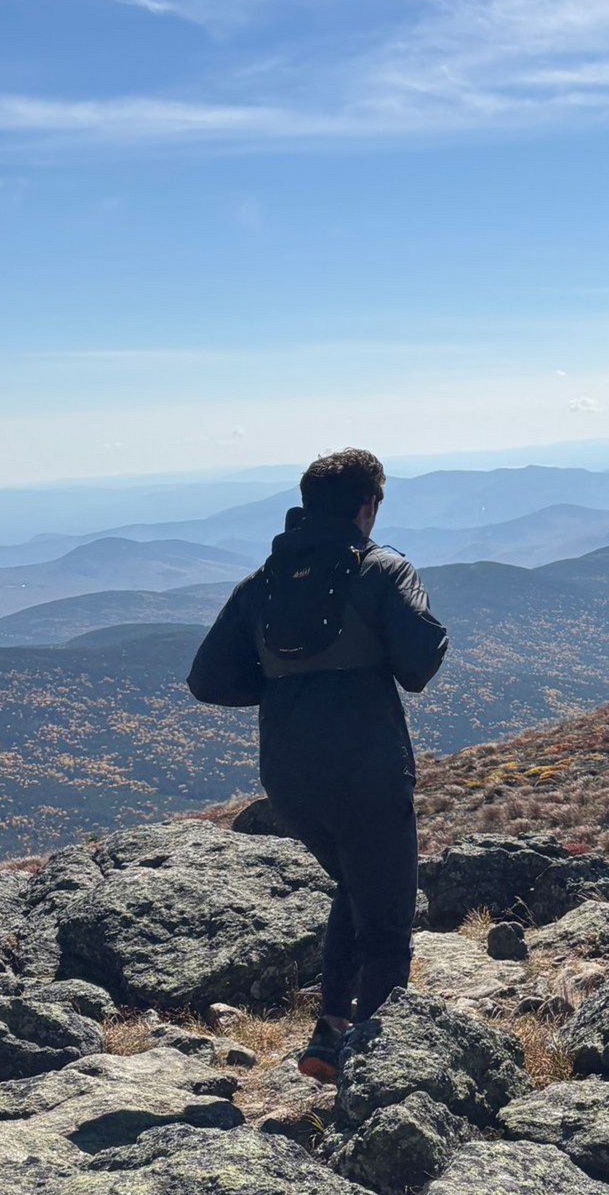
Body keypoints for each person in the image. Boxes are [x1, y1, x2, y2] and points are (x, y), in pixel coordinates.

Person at [188, 449, 448, 1084]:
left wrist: (284, 687)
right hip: (367, 766)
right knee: (386, 917)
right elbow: (419, 665)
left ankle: (331, 1032)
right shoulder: (384, 569)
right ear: (368, 504)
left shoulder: (262, 584)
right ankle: (377, 1074)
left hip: (290, 773)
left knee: (359, 885)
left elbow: (207, 679)